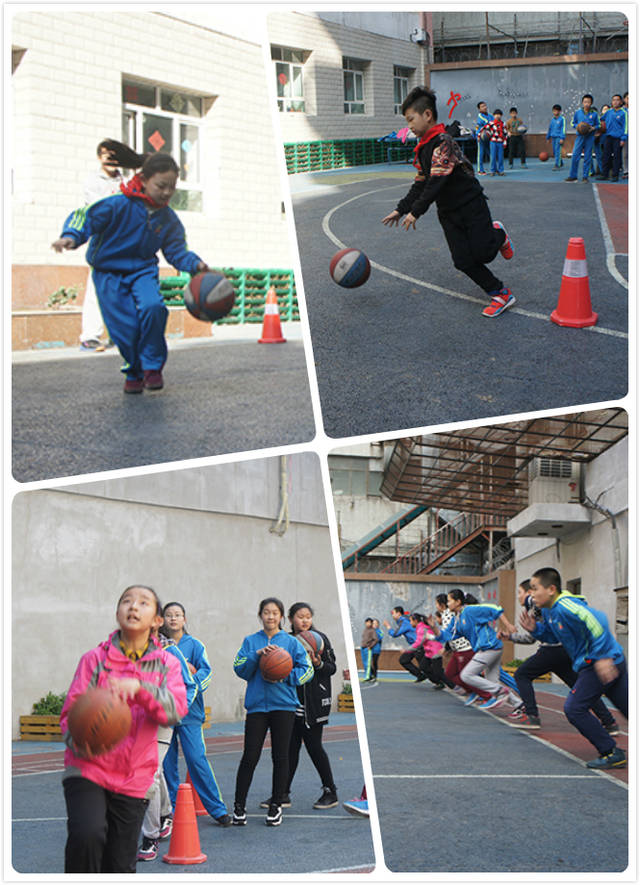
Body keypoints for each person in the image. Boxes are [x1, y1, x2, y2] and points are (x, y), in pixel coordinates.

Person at [51, 150, 209, 394]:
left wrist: (195, 264)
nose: (167, 192)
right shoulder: (117, 204)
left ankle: (152, 367)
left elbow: (176, 251)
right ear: (144, 180)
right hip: (108, 273)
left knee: (153, 307)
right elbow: (85, 217)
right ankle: (134, 370)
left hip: (142, 271)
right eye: (161, 185)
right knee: (125, 327)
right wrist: (70, 237)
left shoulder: (168, 218)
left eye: (172, 187)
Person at [59, 585, 188, 873]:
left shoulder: (167, 664)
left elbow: (176, 710)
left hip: (135, 775)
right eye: (126, 601)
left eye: (143, 603)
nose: (133, 606)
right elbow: (70, 714)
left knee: (119, 864)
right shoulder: (94, 659)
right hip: (88, 768)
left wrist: (141, 689)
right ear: (117, 612)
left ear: (157, 620)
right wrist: (82, 739)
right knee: (86, 836)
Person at [382, 86, 516, 319]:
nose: (409, 125)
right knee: (462, 260)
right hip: (448, 212)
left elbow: (437, 182)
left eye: (411, 119)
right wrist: (400, 209)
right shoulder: (422, 149)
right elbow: (420, 183)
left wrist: (416, 212)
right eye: (406, 121)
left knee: (484, 252)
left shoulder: (443, 141)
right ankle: (500, 293)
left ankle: (499, 235)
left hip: (470, 204)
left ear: (427, 115)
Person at [521, 568, 627, 769]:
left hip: (600, 663)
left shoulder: (566, 605)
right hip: (608, 661)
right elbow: (555, 637)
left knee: (574, 708)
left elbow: (598, 621)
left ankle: (611, 752)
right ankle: (612, 751)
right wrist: (537, 630)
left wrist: (603, 656)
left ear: (551, 589)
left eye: (534, 588)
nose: (531, 594)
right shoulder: (550, 611)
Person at [232, 597, 314, 827]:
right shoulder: (250, 641)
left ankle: (276, 805)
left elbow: (306, 670)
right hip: (257, 706)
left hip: (284, 706)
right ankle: (239, 807)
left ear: (281, 617)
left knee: (281, 756)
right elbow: (239, 668)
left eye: (275, 613)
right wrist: (257, 656)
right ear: (260, 615)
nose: (270, 616)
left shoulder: (291, 642)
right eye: (266, 612)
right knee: (250, 756)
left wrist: (285, 675)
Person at [500, 579, 618, 734]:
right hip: (565, 652)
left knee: (522, 674)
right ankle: (609, 722)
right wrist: (511, 638)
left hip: (552, 650)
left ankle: (532, 715)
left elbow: (541, 632)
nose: (518, 597)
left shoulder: (537, 603)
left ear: (531, 592)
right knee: (580, 687)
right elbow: (532, 638)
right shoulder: (541, 607)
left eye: (520, 592)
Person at [161, 602, 231, 827]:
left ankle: (217, 809)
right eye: (169, 615)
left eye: (177, 615)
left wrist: (188, 681)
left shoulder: (196, 645)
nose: (173, 619)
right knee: (166, 764)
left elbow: (206, 673)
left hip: (190, 713)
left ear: (184, 619)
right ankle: (169, 811)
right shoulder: (158, 646)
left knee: (196, 759)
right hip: (164, 715)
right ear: (162, 620)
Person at [137, 620, 196, 862]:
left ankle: (150, 838)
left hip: (161, 723)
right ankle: (164, 814)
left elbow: (189, 687)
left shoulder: (170, 653)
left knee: (149, 775)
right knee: (155, 773)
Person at [273, 601, 338, 809]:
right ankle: (283, 793)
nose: (305, 620)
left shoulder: (320, 640)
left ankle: (331, 791)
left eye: (308, 616)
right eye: (300, 616)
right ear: (291, 619)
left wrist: (318, 664)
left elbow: (332, 668)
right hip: (291, 703)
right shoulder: (286, 640)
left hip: (314, 703)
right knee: (290, 748)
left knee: (314, 746)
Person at [79, 140, 134, 350]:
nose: (111, 159)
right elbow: (100, 209)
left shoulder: (127, 181)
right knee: (96, 287)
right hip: (103, 241)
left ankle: (119, 333)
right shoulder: (92, 181)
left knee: (122, 288)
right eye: (106, 155)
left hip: (124, 241)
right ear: (99, 158)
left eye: (114, 154)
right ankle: (90, 335)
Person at [429, 589, 516, 709]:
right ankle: (519, 704)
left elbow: (495, 608)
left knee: (466, 675)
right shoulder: (456, 620)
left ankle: (496, 692)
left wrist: (508, 625)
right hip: (485, 649)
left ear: (458, 602)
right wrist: (434, 628)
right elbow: (445, 635)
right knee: (491, 682)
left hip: (489, 647)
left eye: (449, 601)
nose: (447, 603)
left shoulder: (470, 610)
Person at [565, 94, 600, 182]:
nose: (586, 104)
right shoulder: (578, 112)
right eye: (585, 102)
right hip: (580, 137)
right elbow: (573, 123)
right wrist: (578, 126)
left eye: (588, 102)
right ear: (582, 103)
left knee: (588, 157)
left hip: (590, 137)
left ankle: (585, 177)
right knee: (575, 156)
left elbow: (598, 125)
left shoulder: (595, 114)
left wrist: (593, 128)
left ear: (591, 103)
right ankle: (573, 176)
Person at [596, 94, 628, 182]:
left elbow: (626, 127)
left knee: (617, 157)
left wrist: (623, 138)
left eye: (617, 100)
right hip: (608, 137)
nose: (615, 102)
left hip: (618, 138)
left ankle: (615, 175)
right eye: (613, 100)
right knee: (606, 156)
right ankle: (604, 174)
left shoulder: (624, 113)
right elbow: (600, 119)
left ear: (621, 102)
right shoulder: (609, 112)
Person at [382, 606, 416, 673]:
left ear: (399, 614)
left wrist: (388, 626)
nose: (392, 615)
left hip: (418, 644)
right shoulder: (403, 621)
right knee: (404, 660)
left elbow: (395, 634)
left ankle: (425, 676)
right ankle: (422, 675)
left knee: (424, 665)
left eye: (393, 613)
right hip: (415, 645)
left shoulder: (403, 621)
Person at [481, 109, 508, 176]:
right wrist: (481, 135)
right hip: (493, 142)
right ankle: (492, 171)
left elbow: (505, 133)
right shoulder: (491, 123)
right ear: (493, 115)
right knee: (492, 157)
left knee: (500, 157)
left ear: (501, 115)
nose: (497, 116)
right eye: (496, 114)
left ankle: (501, 171)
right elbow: (484, 129)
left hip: (500, 142)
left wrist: (505, 142)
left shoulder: (503, 124)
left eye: (499, 114)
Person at [475, 100, 492, 175]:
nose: (484, 107)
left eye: (485, 105)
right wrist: (478, 135)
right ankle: (480, 170)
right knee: (480, 154)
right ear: (479, 109)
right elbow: (478, 127)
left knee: (491, 153)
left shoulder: (490, 116)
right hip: (481, 137)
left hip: (489, 137)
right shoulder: (480, 117)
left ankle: (493, 168)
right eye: (482, 106)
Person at [546, 104, 566, 169]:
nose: (555, 112)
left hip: (559, 138)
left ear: (560, 111)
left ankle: (557, 165)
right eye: (554, 111)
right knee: (555, 152)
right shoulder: (552, 120)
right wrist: (548, 137)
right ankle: (561, 162)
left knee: (558, 151)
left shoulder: (562, 119)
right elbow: (550, 128)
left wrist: (562, 138)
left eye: (557, 111)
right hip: (553, 138)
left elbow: (563, 129)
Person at [360, 617, 379, 683]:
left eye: (369, 622)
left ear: (371, 623)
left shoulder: (372, 630)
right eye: (366, 622)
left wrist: (370, 646)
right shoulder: (365, 630)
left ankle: (367, 677)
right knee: (364, 663)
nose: (368, 624)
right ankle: (369, 675)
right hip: (362, 648)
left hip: (368, 648)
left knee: (368, 663)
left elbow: (376, 639)